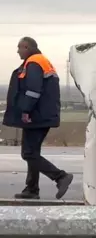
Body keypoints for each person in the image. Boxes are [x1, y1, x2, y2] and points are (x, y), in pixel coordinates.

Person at [2, 37, 73, 200]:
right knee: (32, 152)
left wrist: (26, 110)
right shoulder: (40, 61)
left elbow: (33, 90)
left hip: (36, 116)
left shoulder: (34, 63)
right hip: (42, 114)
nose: (17, 51)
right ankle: (32, 189)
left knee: (29, 153)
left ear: (26, 47)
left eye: (19, 48)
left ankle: (60, 176)